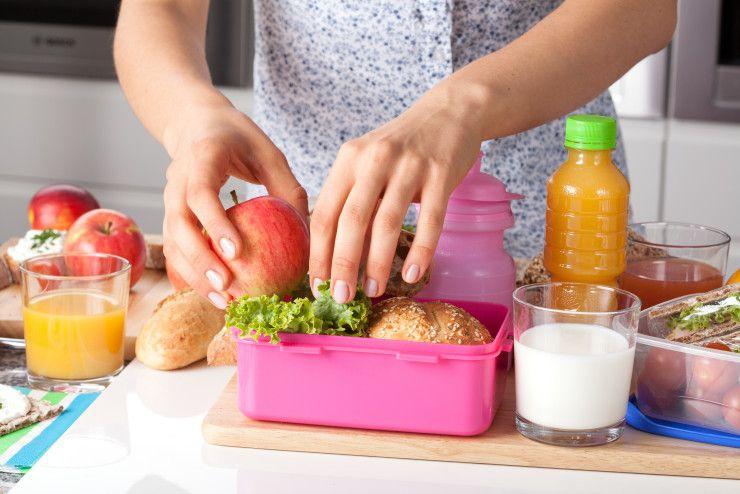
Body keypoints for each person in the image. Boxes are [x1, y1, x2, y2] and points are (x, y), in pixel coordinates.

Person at [114, 0, 676, 308]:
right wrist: (193, 118)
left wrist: (463, 107)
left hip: (555, 242)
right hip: (310, 254)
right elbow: (160, 8)